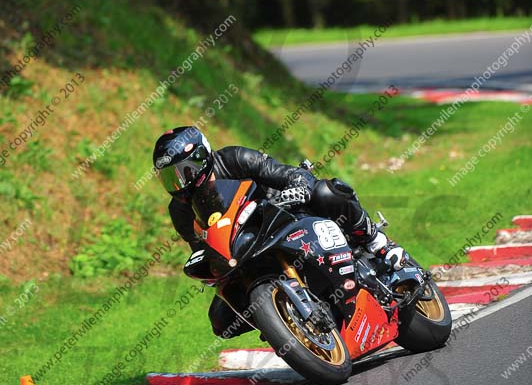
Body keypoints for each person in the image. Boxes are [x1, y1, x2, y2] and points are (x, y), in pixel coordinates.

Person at [153, 126, 408, 338]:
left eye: (185, 170)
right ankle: (283, 324)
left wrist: (298, 186)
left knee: (326, 191)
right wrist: (211, 269)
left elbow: (286, 173)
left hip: (285, 216)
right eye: (170, 177)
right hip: (245, 251)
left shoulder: (234, 158)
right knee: (220, 320)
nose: (180, 182)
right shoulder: (180, 210)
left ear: (202, 156)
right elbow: (201, 247)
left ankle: (377, 242)